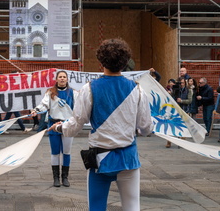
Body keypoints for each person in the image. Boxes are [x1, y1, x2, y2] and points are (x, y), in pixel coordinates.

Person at [49, 38, 152, 211]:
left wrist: (59, 126)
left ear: (100, 61)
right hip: (128, 159)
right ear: (126, 62)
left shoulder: (88, 89)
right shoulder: (137, 89)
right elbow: (146, 128)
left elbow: (75, 126)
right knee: (132, 207)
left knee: (96, 207)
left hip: (100, 159)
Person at [31, 71, 77, 188]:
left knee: (66, 152)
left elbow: (79, 108)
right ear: (56, 79)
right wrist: (36, 110)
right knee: (55, 153)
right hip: (53, 125)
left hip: (67, 125)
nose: (62, 79)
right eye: (60, 77)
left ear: (67, 79)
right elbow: (44, 104)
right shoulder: (50, 92)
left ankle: (65, 177)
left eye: (64, 77)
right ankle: (56, 178)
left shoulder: (73, 93)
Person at [166, 77, 192, 148]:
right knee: (171, 126)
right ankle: (169, 142)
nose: (181, 84)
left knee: (183, 127)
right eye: (180, 83)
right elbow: (170, 99)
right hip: (175, 110)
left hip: (184, 110)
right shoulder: (175, 90)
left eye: (183, 83)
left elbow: (190, 101)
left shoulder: (188, 90)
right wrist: (171, 93)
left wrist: (182, 101)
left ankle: (181, 142)